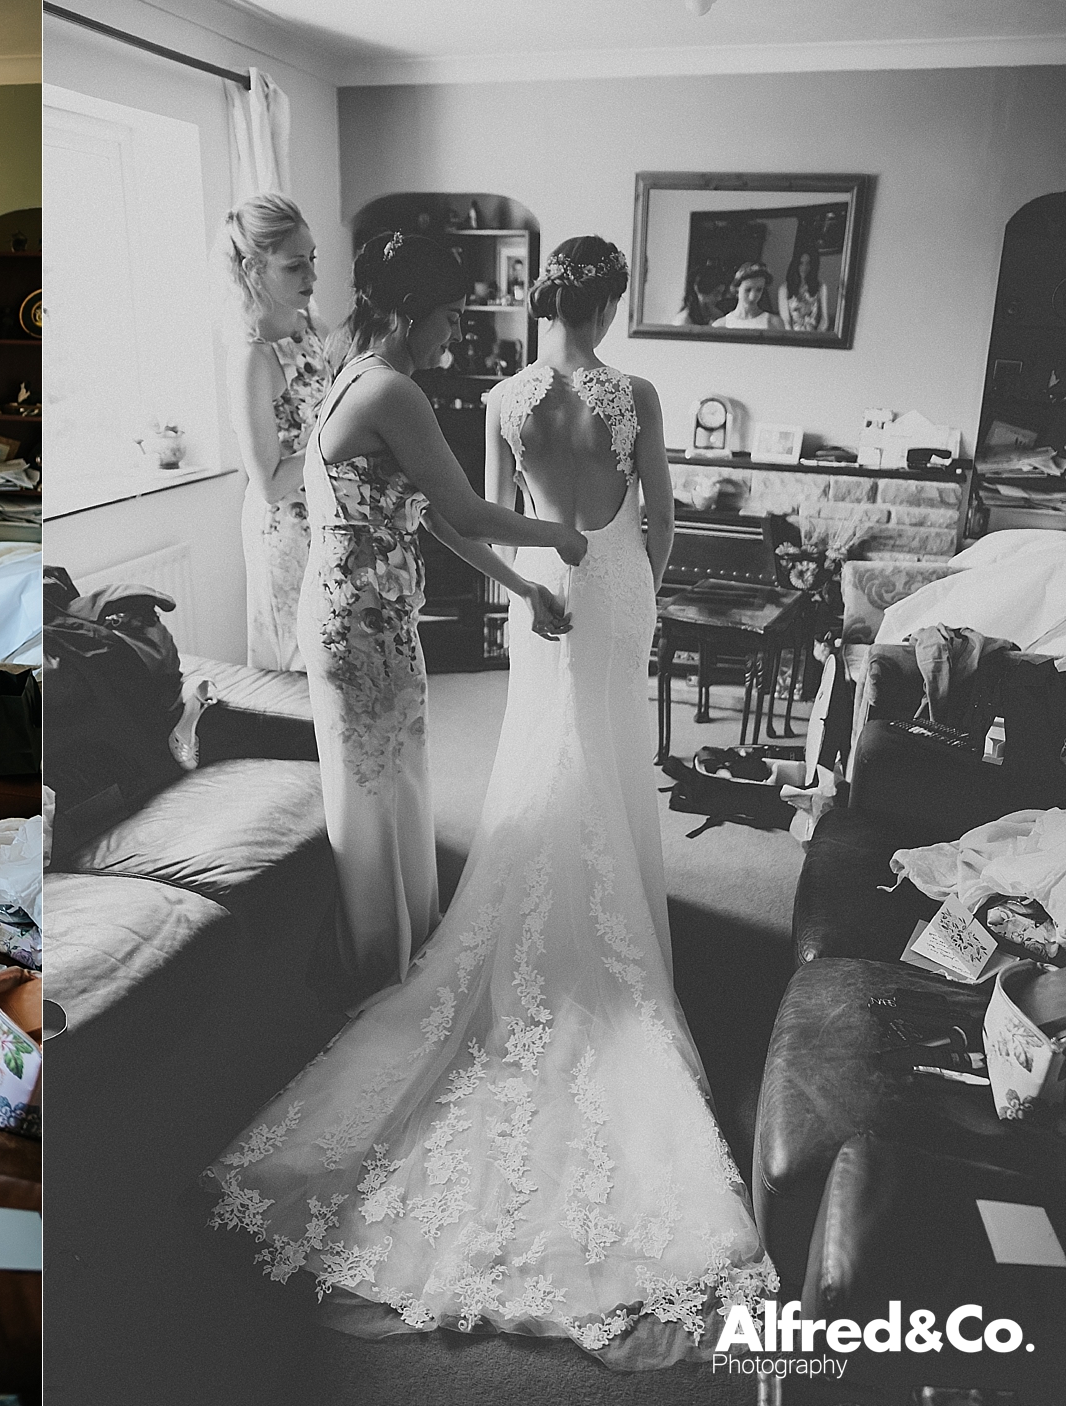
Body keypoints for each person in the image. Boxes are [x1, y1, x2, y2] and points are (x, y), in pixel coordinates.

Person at [209, 236, 775, 1368]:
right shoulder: (637, 392)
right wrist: (635, 589)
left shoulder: (504, 395)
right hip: (604, 580)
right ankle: (589, 911)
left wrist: (530, 582)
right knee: (609, 754)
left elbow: (456, 518)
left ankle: (445, 931)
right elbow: (652, 517)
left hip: (536, 593)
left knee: (532, 753)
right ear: (607, 302)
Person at [298, 232, 584, 997]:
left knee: (394, 784)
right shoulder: (391, 389)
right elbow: (467, 508)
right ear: (413, 312)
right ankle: (378, 962)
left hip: (365, 612)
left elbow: (435, 519)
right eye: (452, 316)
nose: (456, 332)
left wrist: (524, 591)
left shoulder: (358, 374)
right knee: (373, 791)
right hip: (358, 621)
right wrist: (556, 534)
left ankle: (397, 938)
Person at [217, 194, 335, 670]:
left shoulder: (312, 326)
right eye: (294, 266)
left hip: (328, 510)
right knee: (298, 660)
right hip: (286, 527)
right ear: (253, 269)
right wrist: (338, 440)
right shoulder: (252, 359)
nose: (311, 276)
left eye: (311, 260)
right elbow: (267, 483)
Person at [710, 262, 784, 330]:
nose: (753, 296)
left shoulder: (774, 323)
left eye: (759, 290)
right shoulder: (721, 325)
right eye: (748, 290)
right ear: (737, 288)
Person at [782, 249, 830, 331]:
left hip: (815, 335)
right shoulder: (784, 289)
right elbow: (786, 321)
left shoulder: (821, 287)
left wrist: (815, 339)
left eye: (808, 263)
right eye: (801, 263)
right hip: (792, 336)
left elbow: (824, 320)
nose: (804, 267)